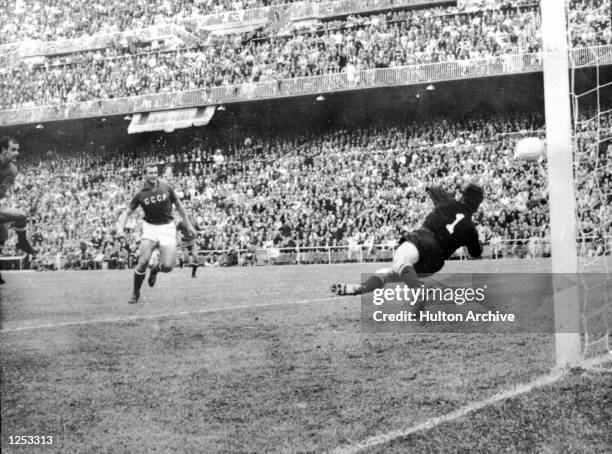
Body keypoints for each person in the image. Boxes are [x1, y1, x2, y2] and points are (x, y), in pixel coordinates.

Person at [331, 184, 484, 299]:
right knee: (392, 273)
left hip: (423, 240)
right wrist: (478, 242)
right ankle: (361, 288)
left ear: (462, 196)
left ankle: (419, 292)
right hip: (435, 262)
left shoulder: (448, 202)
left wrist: (430, 189)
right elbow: (476, 253)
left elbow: (433, 189)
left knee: (400, 261)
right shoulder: (470, 229)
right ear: (477, 206)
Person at [117, 163, 196, 304]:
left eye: (155, 172)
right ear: (145, 174)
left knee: (168, 266)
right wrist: (120, 229)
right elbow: (126, 213)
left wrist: (188, 224)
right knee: (142, 261)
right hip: (150, 228)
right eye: (150, 173)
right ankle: (136, 292)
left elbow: (179, 206)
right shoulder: (140, 194)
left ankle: (155, 269)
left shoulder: (166, 187)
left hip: (167, 228)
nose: (154, 175)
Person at [0, 136, 36, 284]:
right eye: (13, 149)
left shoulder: (13, 169)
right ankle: (22, 242)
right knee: (21, 215)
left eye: (18, 150)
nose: (16, 153)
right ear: (3, 150)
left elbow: (2, 191)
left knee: (3, 235)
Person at [177, 214, 200, 278]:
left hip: (192, 242)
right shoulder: (181, 223)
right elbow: (175, 230)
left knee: (195, 257)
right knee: (187, 260)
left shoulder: (194, 222)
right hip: (184, 243)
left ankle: (193, 274)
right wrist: (178, 237)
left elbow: (199, 228)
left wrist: (198, 230)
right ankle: (181, 260)